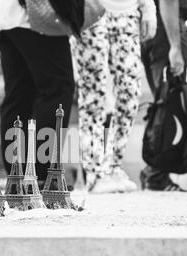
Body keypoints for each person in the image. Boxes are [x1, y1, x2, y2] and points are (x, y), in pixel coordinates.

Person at [0, 0, 77, 184]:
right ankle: (41, 174)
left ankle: (17, 175)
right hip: (36, 15)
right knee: (56, 90)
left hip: (3, 16)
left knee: (19, 95)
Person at [72, 0, 157, 194]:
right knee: (93, 93)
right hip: (90, 10)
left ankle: (113, 166)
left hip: (127, 12)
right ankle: (94, 172)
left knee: (130, 91)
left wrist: (149, 8)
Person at [140, 0, 187, 192]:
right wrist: (175, 46)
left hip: (154, 26)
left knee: (162, 103)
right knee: (168, 104)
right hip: (167, 27)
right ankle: (156, 176)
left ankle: (154, 172)